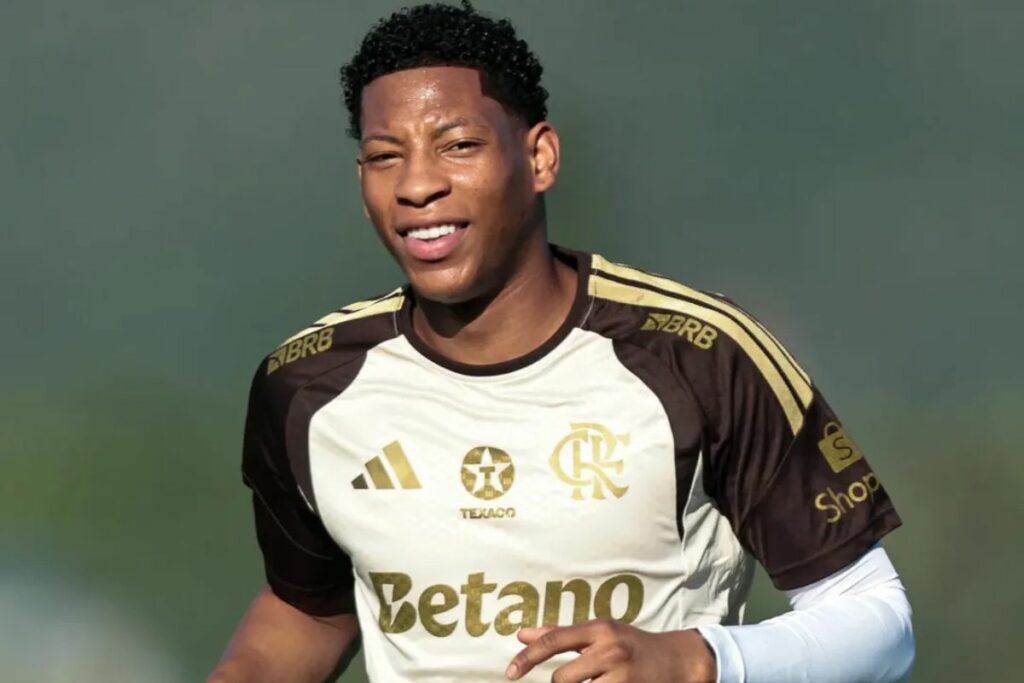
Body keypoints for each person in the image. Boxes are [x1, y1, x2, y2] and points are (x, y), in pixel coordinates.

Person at [207, 3, 915, 682]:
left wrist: (699, 660)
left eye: (459, 145)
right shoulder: (307, 385)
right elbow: (311, 608)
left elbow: (878, 623)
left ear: (540, 156)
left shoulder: (701, 356)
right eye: (385, 156)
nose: (417, 185)